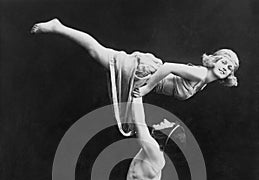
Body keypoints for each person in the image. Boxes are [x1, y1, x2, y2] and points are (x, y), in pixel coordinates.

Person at [30, 19, 239, 136]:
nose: (225, 67)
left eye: (229, 68)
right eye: (224, 62)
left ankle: (59, 28)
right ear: (215, 60)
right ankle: (58, 27)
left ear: (229, 75)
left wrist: (147, 89)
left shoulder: (202, 83)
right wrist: (147, 88)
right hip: (144, 73)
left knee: (100, 54)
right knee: (98, 53)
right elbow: (168, 67)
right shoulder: (200, 73)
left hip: (146, 78)